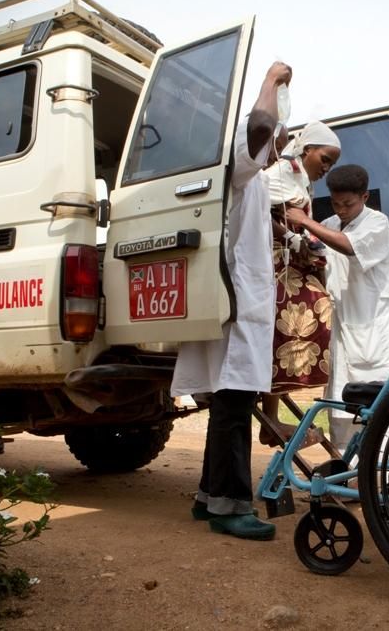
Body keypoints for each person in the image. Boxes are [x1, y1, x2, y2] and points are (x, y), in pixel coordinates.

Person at [169, 61, 293, 541]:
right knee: (233, 404)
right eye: (279, 137)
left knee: (228, 401)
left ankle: (208, 497)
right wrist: (269, 80)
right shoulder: (239, 162)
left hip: (243, 302)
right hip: (237, 305)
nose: (281, 145)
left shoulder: (255, 178)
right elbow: (259, 125)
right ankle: (231, 505)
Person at [285, 165, 389, 466]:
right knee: (343, 405)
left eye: (348, 204)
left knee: (384, 406)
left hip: (376, 327)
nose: (341, 210)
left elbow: (348, 247)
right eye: (336, 203)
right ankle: (351, 475)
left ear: (364, 196)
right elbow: (322, 255)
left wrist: (304, 221)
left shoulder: (377, 223)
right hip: (343, 329)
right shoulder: (330, 222)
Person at [258, 121, 341, 447]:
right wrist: (292, 238)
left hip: (289, 262)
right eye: (324, 159)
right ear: (307, 151)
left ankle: (272, 418)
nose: (326, 168)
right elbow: (256, 209)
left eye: (332, 164)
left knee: (283, 338)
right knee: (312, 312)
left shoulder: (299, 179)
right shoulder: (280, 172)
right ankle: (271, 420)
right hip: (274, 265)